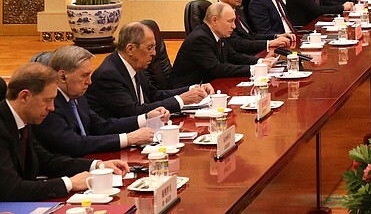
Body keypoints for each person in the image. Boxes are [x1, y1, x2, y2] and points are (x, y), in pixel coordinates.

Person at [0, 62, 129, 200]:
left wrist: (97, 165)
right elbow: (11, 189)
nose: (52, 108)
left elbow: (46, 161)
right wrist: (69, 183)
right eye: (47, 100)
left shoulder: (23, 119)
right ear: (24, 96)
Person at [33, 46, 168, 157]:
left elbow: (102, 126)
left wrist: (146, 117)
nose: (90, 82)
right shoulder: (49, 104)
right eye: (84, 75)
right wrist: (128, 139)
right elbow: (74, 144)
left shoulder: (77, 95)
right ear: (62, 76)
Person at [86, 22, 213, 119]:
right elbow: (133, 112)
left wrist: (192, 89)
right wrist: (181, 100)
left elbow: (153, 95)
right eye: (149, 48)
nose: (154, 53)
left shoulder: (135, 65)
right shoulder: (109, 75)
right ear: (130, 49)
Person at [172, 2, 276, 87]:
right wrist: (254, 69)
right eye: (230, 21)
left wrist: (260, 61)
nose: (234, 26)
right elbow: (217, 69)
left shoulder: (218, 34)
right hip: (187, 92)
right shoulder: (200, 39)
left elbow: (233, 56)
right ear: (214, 20)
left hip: (209, 87)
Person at [217, 0, 293, 54]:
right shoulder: (219, 15)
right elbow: (237, 44)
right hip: (241, 59)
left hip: (253, 54)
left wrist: (276, 36)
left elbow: (251, 36)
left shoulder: (238, 10)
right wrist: (268, 43)